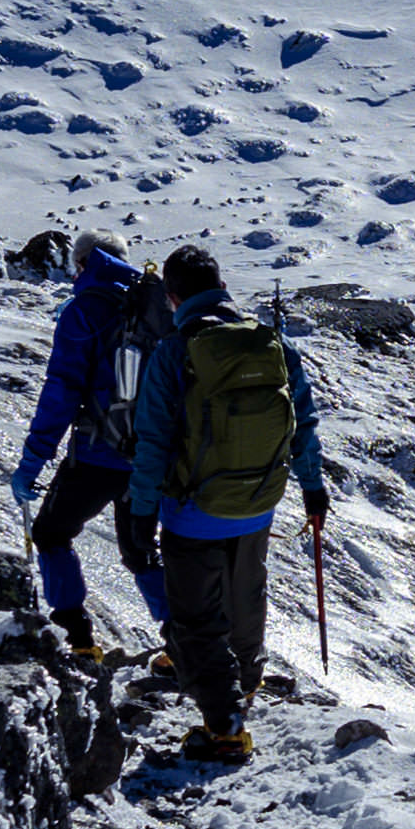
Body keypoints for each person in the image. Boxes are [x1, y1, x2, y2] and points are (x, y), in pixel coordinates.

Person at [116, 244, 330, 766]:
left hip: (193, 510)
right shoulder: (271, 343)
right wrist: (312, 487)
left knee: (195, 619)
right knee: (244, 595)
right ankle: (245, 686)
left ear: (173, 297)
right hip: (259, 501)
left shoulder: (175, 351)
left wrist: (141, 512)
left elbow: (154, 441)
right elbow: (302, 422)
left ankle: (225, 728)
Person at [6, 238, 166, 664]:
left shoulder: (84, 311)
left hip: (97, 454)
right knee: (141, 549)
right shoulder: (153, 307)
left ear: (83, 263)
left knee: (50, 534)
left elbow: (61, 392)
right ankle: (185, 642)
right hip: (150, 456)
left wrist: (30, 465)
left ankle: (76, 638)